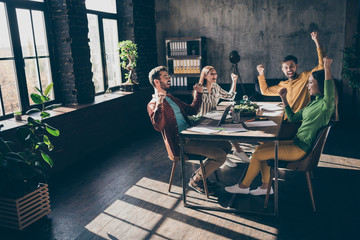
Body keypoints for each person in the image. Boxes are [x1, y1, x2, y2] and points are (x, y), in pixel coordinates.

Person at [225, 57, 335, 195]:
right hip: (296, 141)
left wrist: (327, 68)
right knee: (260, 147)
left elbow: (329, 88)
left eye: (311, 82)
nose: (308, 85)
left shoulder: (326, 105)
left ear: (321, 85)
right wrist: (284, 99)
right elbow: (294, 117)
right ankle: (265, 187)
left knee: (258, 154)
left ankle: (243, 186)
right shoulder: (313, 103)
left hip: (300, 148)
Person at [147, 66, 232, 195]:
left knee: (226, 145)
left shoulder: (171, 98)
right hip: (182, 143)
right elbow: (158, 126)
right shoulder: (153, 104)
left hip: (193, 135)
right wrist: (159, 102)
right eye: (165, 77)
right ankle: (196, 179)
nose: (169, 79)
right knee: (220, 156)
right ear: (156, 82)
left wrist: (198, 93)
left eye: (168, 76)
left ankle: (203, 175)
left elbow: (192, 110)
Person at [256, 32, 325, 123]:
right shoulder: (283, 85)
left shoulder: (305, 77)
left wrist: (317, 41)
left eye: (292, 66)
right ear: (282, 70)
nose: (289, 69)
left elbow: (321, 66)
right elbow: (265, 91)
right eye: (286, 67)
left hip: (300, 121)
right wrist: (261, 73)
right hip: (286, 121)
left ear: (297, 66)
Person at [194, 66, 251, 167]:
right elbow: (195, 106)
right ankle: (225, 156)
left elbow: (230, 96)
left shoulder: (215, 87)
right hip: (202, 122)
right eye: (212, 74)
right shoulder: (199, 88)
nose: (215, 76)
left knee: (230, 125)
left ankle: (238, 151)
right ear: (205, 76)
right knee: (224, 129)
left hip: (214, 118)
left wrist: (234, 81)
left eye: (215, 73)